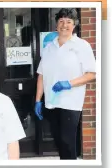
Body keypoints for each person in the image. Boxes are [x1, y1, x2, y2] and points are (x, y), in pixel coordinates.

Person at [34, 8, 96, 160]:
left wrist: (68, 83)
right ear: (56, 25)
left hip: (70, 103)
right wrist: (38, 100)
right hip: (51, 102)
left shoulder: (82, 45)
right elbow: (41, 74)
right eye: (61, 21)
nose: (64, 25)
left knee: (68, 144)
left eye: (69, 22)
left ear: (74, 25)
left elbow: (92, 74)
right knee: (59, 143)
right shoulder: (49, 48)